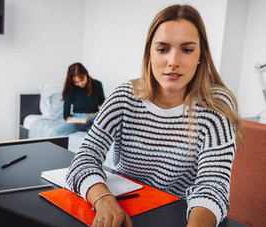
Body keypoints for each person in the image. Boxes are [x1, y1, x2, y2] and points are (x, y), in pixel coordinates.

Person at [65, 4, 244, 227]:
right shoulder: (124, 95)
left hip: (183, 217)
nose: (173, 61)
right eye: (162, 49)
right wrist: (103, 200)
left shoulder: (217, 105)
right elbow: (83, 160)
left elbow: (213, 186)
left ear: (201, 55)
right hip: (124, 212)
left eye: (187, 50)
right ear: (149, 52)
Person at [51, 62, 105, 136]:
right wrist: (74, 121)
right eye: (76, 82)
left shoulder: (97, 84)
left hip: (93, 119)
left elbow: (102, 103)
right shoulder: (70, 89)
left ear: (86, 74)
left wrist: (102, 110)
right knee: (55, 134)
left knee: (100, 136)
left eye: (82, 80)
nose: (80, 84)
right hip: (77, 120)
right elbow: (66, 115)